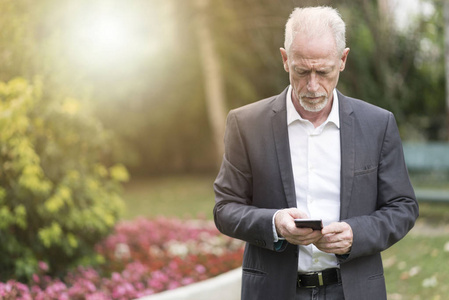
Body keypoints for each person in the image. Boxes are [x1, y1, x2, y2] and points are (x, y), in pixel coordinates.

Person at [213, 6, 419, 300]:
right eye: (301, 71)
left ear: (343, 60)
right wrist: (275, 224)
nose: (312, 86)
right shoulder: (245, 124)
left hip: (355, 290)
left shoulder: (377, 124)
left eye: (323, 71)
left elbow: (403, 206)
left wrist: (355, 234)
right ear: (285, 59)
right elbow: (225, 209)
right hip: (273, 291)